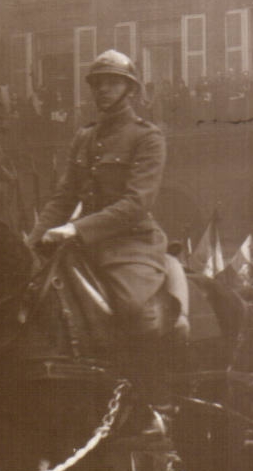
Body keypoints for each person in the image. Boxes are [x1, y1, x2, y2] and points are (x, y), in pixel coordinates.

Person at [33, 50, 172, 437]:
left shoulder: (147, 137)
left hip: (131, 244)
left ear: (130, 89)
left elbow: (136, 203)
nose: (103, 89)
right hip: (82, 244)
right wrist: (30, 243)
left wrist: (76, 229)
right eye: (98, 83)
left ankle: (149, 406)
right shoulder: (84, 137)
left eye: (112, 82)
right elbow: (63, 197)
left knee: (134, 309)